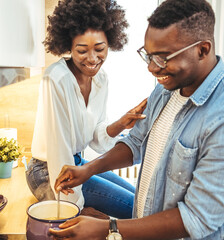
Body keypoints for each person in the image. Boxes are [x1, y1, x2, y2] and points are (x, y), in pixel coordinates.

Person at [50, 0, 224, 239]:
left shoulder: (219, 118)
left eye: (163, 58)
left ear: (202, 50)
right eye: (149, 56)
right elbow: (135, 143)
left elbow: (196, 218)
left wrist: (107, 228)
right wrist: (89, 169)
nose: (152, 68)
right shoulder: (166, 89)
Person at [25, 0, 147, 220]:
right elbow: (58, 150)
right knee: (134, 209)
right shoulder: (55, 79)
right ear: (69, 47)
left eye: (100, 49)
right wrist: (76, 211)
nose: (92, 59)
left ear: (111, 43)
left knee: (142, 200)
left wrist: (120, 123)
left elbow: (97, 139)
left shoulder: (101, 79)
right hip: (47, 172)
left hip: (77, 164)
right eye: (82, 50)